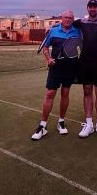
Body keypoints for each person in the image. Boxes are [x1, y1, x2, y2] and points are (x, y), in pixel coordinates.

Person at [31, 10, 81, 140]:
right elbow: (46, 48)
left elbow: (82, 44)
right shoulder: (53, 31)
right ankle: (43, 126)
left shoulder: (77, 31)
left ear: (73, 19)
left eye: (71, 18)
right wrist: (48, 59)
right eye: (66, 17)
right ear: (62, 18)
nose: (68, 20)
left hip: (70, 66)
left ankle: (61, 122)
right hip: (55, 67)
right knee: (50, 94)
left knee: (65, 94)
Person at [72, 0, 97, 138]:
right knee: (87, 91)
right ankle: (89, 124)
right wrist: (51, 28)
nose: (93, 9)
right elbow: (66, 23)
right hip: (85, 61)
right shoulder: (81, 22)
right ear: (87, 8)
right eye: (90, 7)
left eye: (95, 7)